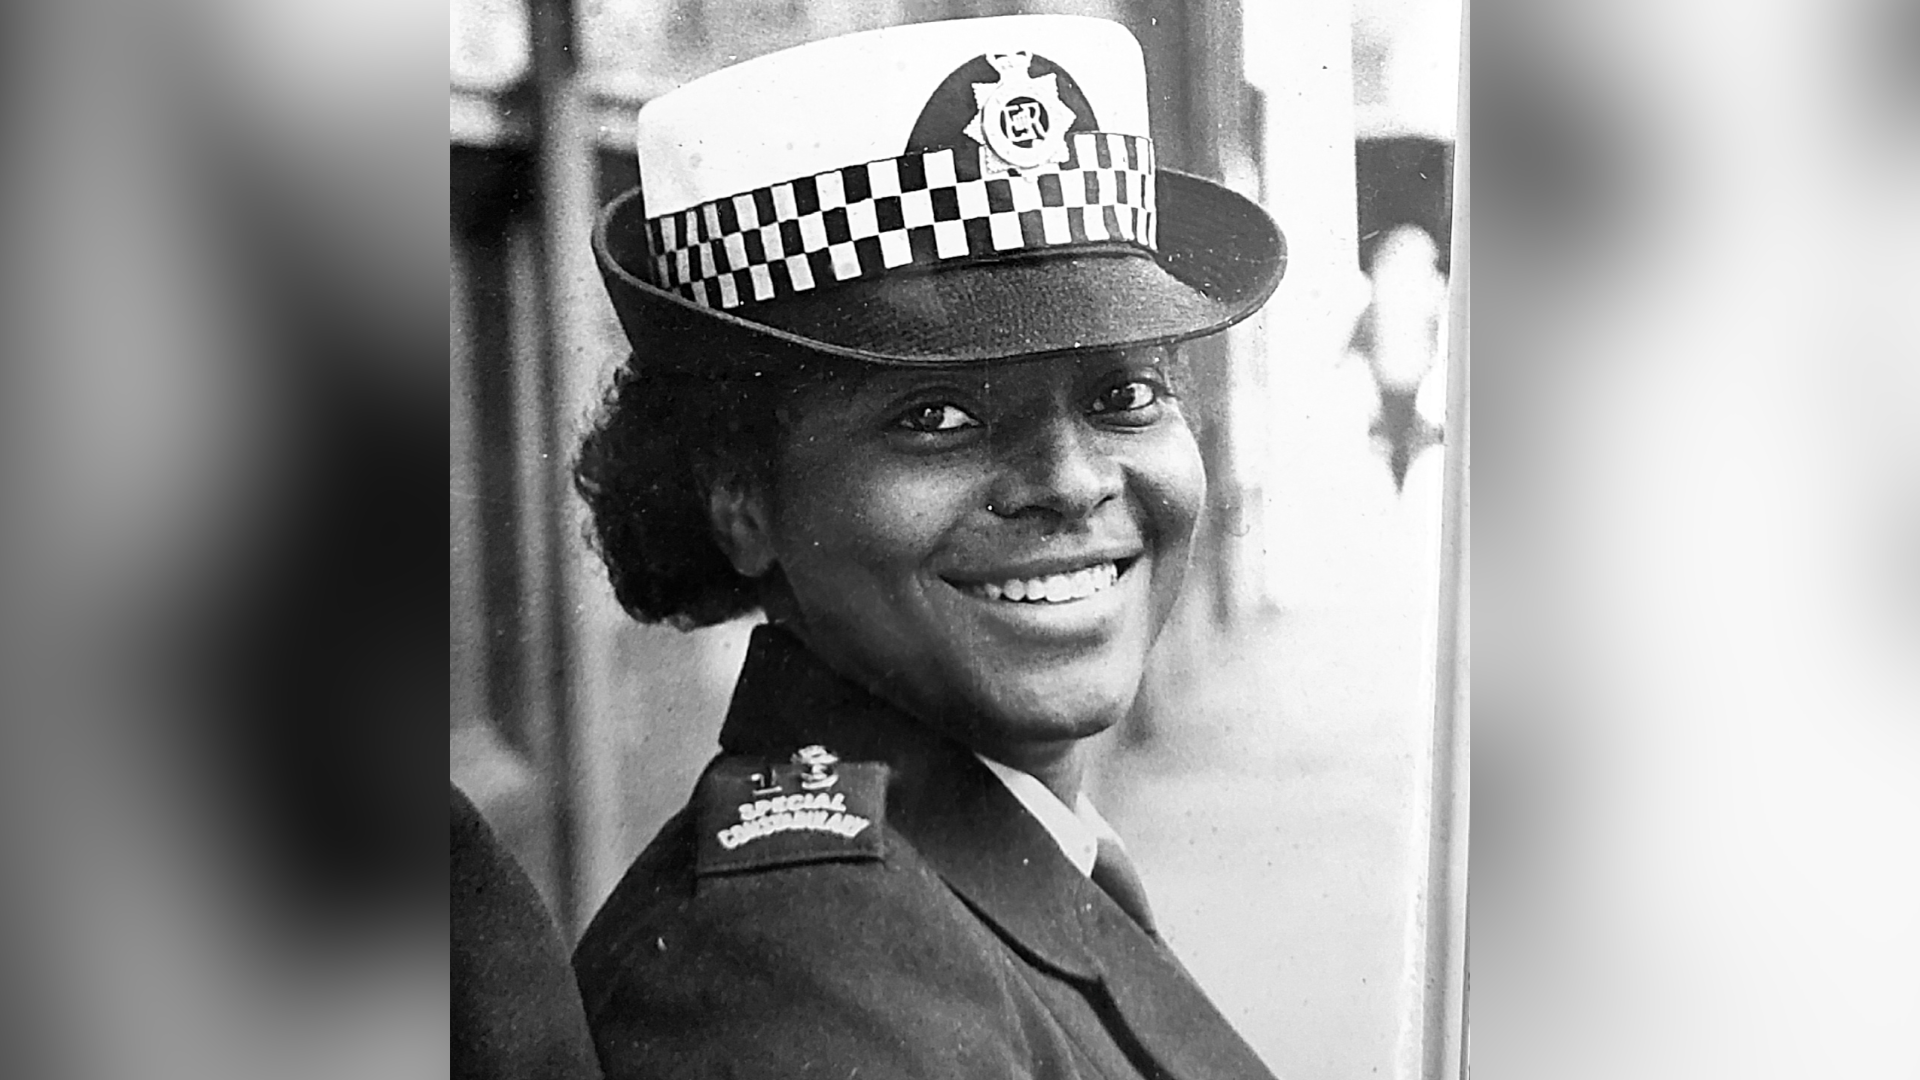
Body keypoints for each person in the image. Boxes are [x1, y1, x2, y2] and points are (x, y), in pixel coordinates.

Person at [570, 15, 1286, 1079]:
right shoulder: (784, 987)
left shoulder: (992, 858)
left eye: (1124, 394)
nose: (1074, 482)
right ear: (741, 500)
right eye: (939, 416)